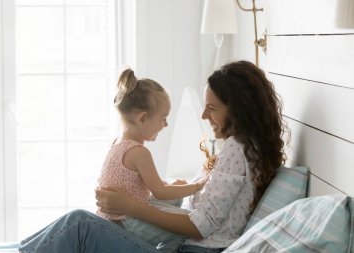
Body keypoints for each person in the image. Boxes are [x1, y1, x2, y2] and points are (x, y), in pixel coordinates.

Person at [18, 60, 288, 253]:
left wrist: (134, 207)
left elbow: (201, 226)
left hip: (196, 249)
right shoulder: (248, 148)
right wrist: (184, 190)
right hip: (190, 245)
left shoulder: (235, 149)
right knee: (76, 228)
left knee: (78, 223)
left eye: (212, 108)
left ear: (238, 110)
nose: (205, 116)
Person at [96, 67, 205, 252]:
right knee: (180, 231)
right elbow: (161, 192)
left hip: (117, 216)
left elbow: (137, 185)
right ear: (143, 118)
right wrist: (196, 187)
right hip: (125, 221)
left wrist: (176, 186)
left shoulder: (118, 143)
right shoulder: (138, 152)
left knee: (177, 200)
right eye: (163, 118)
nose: (166, 124)